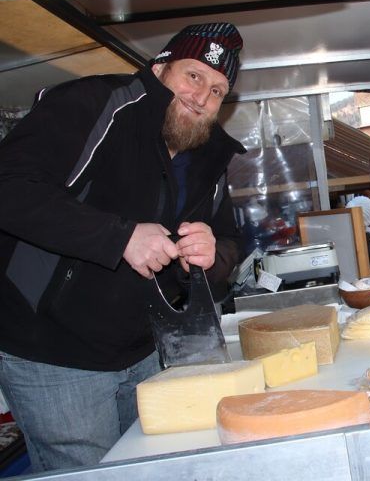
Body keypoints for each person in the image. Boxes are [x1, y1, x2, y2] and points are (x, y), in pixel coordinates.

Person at [0, 23, 245, 472]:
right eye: (193, 76)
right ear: (160, 68)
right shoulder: (93, 103)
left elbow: (229, 240)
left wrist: (211, 255)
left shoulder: (209, 154)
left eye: (217, 91)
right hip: (54, 352)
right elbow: (10, 188)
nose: (202, 97)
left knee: (156, 468)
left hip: (144, 350)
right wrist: (120, 237)